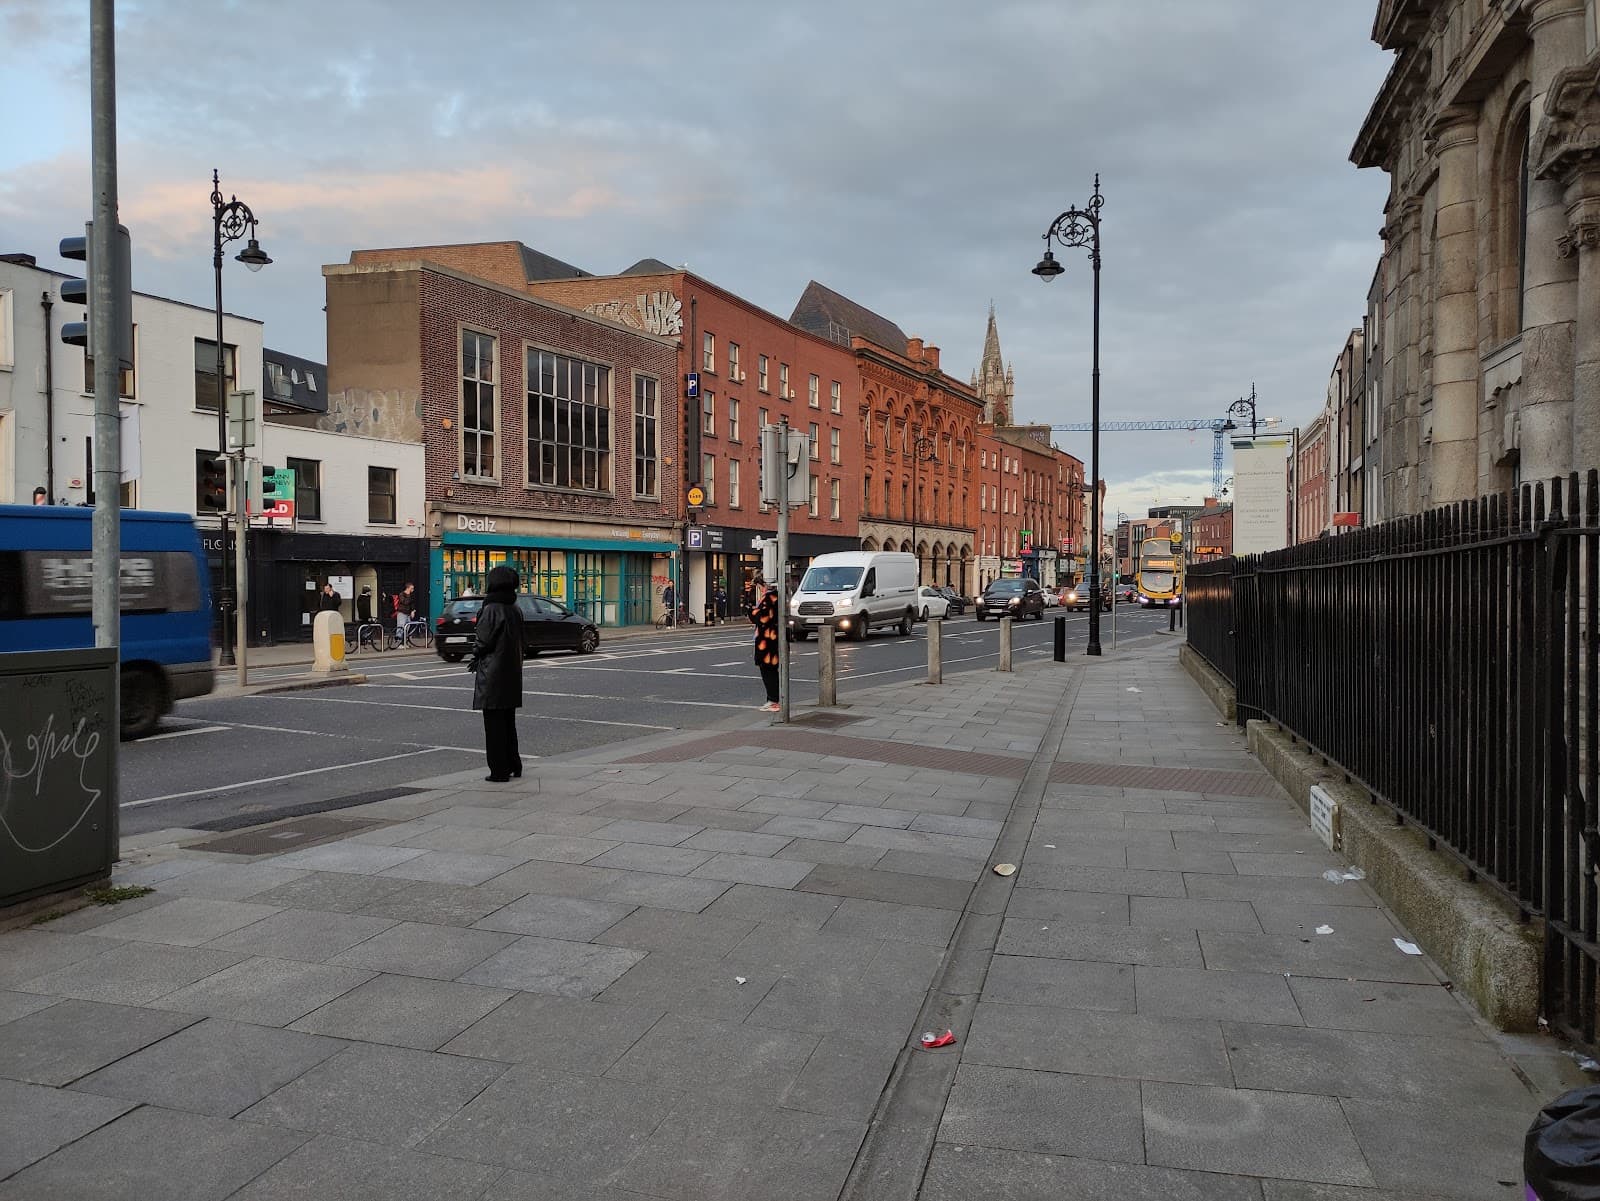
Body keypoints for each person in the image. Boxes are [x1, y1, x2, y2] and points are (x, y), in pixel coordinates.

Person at [470, 564, 525, 781]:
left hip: (493, 673)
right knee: (508, 723)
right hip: (511, 672)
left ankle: (499, 770)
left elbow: (483, 640)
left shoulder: (491, 608)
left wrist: (475, 653)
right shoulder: (515, 608)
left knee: (493, 726)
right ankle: (514, 764)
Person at [749, 576, 780, 712]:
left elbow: (760, 618)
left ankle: (774, 700)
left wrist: (750, 610)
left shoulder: (769, 598)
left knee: (768, 670)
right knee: (769, 670)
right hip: (769, 638)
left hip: (767, 640)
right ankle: (772, 699)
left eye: (758, 587)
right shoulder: (773, 597)